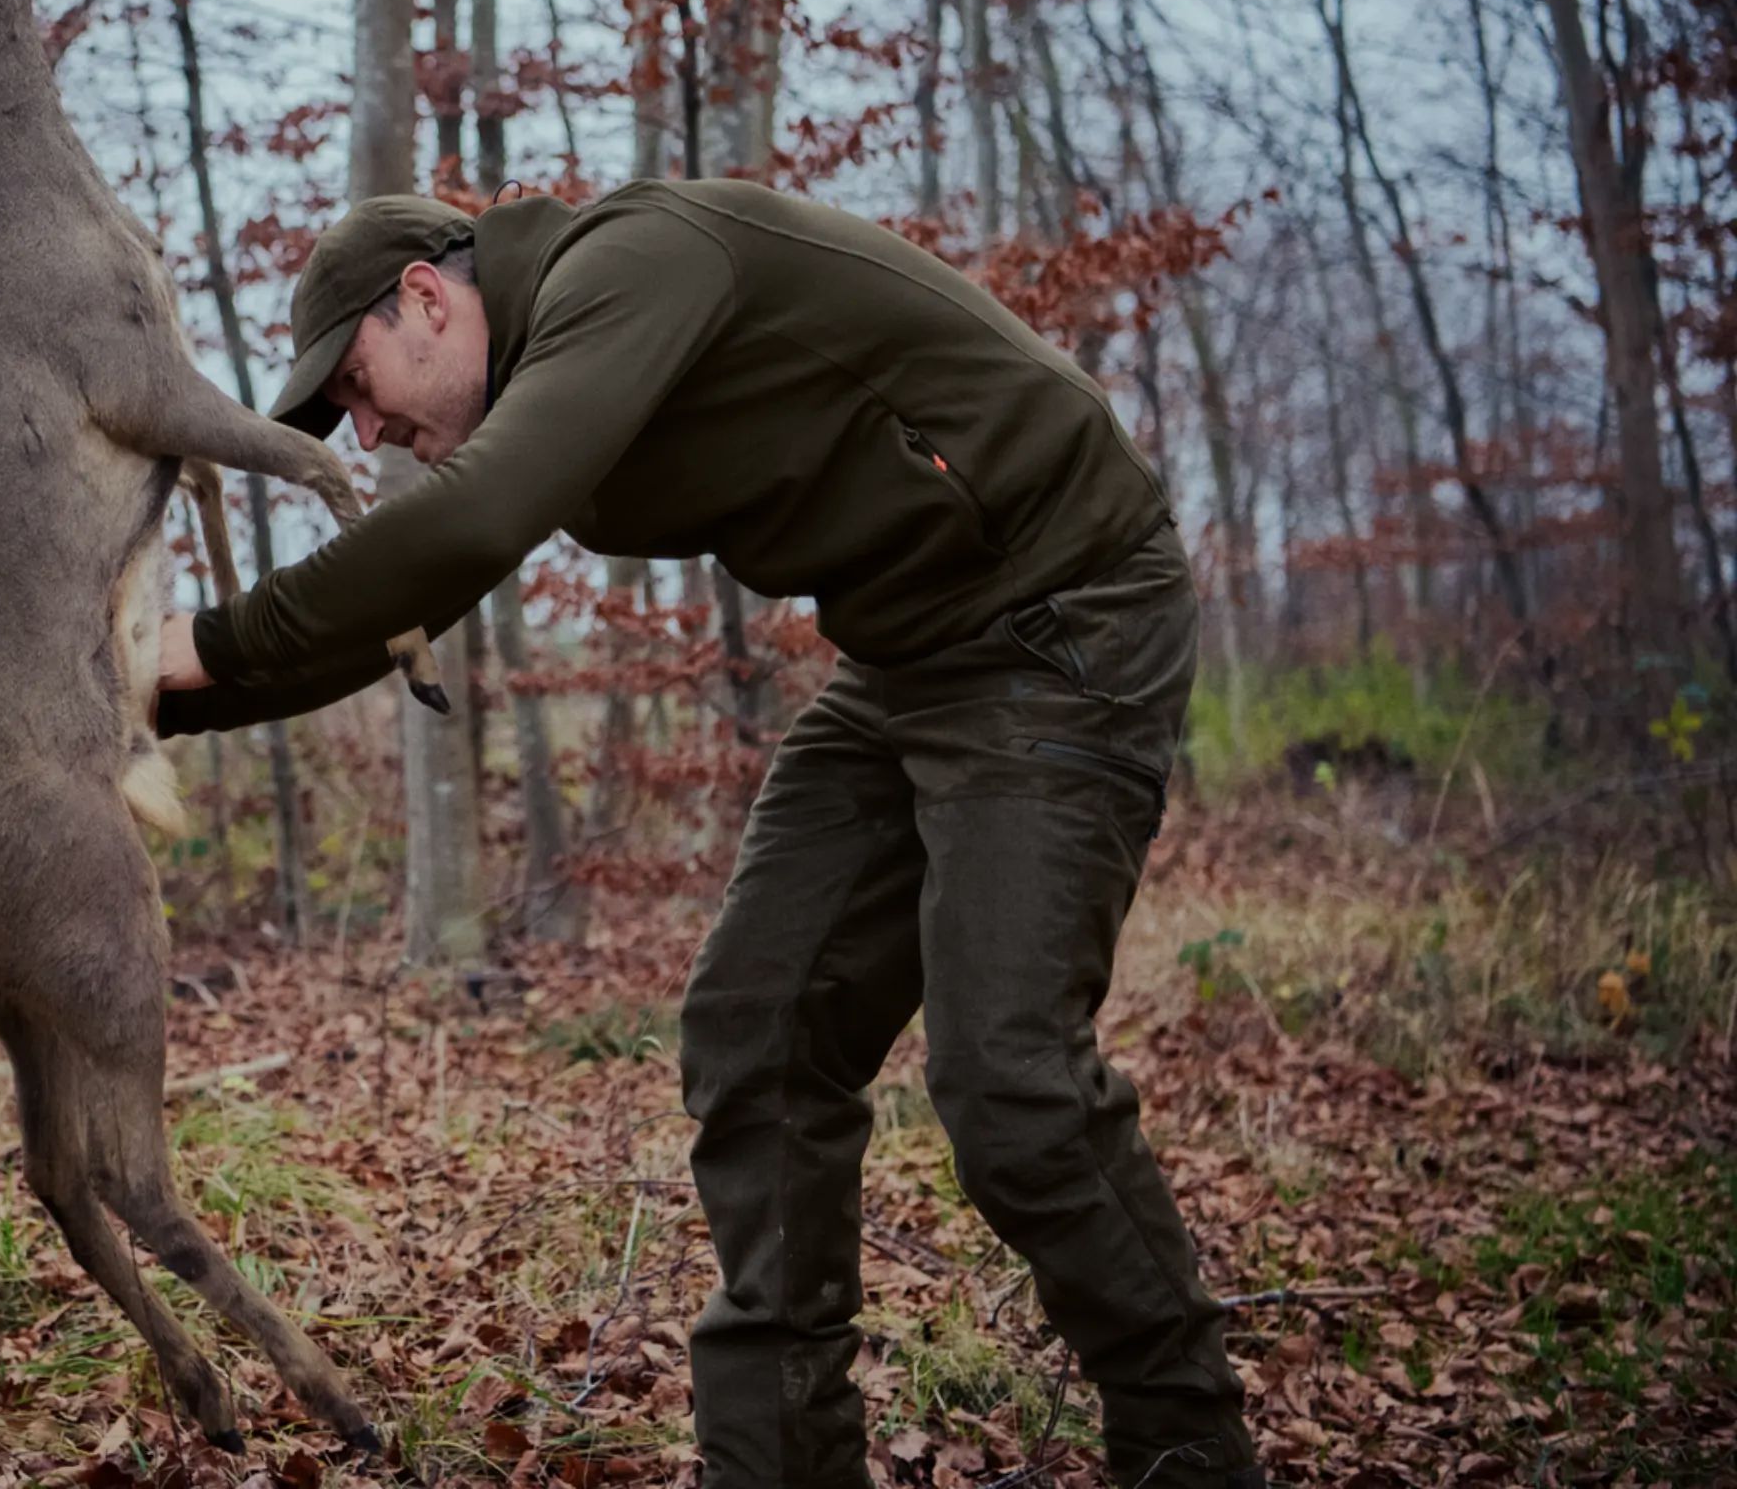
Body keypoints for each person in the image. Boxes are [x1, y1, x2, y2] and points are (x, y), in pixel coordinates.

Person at [156, 179, 1264, 1489]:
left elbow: (462, 531)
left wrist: (207, 641)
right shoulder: (549, 381)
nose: (367, 425)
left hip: (1064, 606)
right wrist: (155, 700)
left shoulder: (632, 264)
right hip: (909, 649)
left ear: (425, 296)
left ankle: (1193, 1451)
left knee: (1010, 1081)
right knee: (758, 1029)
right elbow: (412, 596)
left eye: (353, 382)